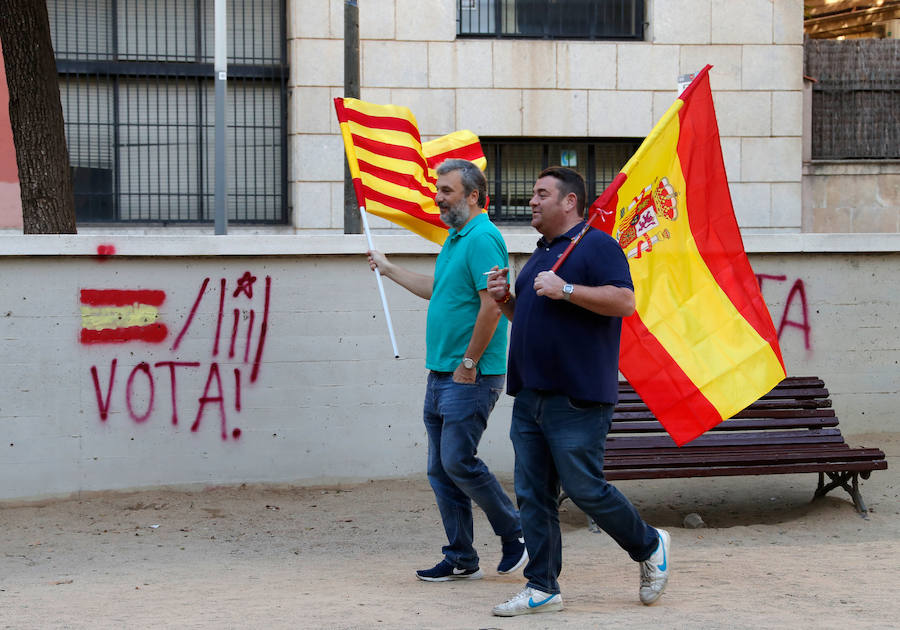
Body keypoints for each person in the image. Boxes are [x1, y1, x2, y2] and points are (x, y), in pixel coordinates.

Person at [486, 166, 670, 616]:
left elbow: (625, 301)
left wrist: (566, 288)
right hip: (531, 395)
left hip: (576, 396)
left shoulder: (596, 246)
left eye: (541, 193)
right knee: (533, 493)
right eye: (533, 192)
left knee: (584, 488)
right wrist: (505, 300)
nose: (531, 200)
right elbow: (533, 318)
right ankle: (542, 586)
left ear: (569, 202)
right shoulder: (541, 253)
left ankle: (650, 545)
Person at [367, 158, 527, 582]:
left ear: (473, 196)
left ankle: (516, 532)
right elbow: (438, 290)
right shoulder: (456, 238)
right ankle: (461, 556)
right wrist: (388, 269)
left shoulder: (483, 239)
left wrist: (469, 363)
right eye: (438, 190)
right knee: (441, 469)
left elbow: (492, 304)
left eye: (447, 191)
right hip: (442, 373)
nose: (438, 197)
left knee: (457, 460)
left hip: (469, 375)